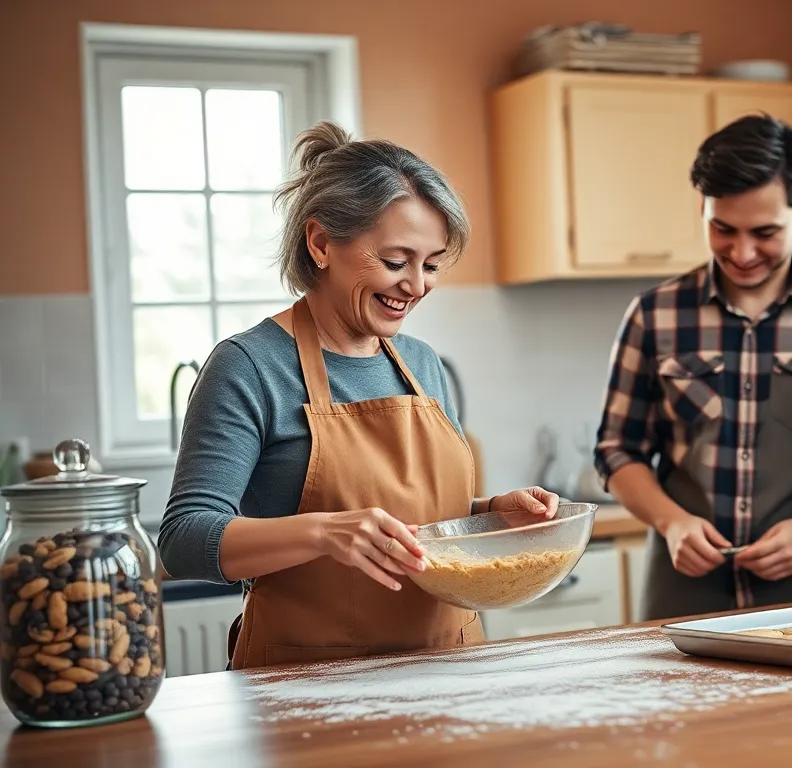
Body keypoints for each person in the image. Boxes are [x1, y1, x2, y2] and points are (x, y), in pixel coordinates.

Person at [158, 121, 560, 670]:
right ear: (321, 243)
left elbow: (420, 523)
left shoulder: (422, 364)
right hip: (306, 683)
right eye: (396, 262)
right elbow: (183, 541)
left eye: (432, 265)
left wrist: (491, 514)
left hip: (451, 669)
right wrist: (325, 532)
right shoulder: (249, 367)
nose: (416, 286)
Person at [593, 114, 792, 621]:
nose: (743, 252)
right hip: (680, 596)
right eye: (722, 229)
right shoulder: (654, 315)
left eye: (765, 232)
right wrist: (672, 522)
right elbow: (617, 450)